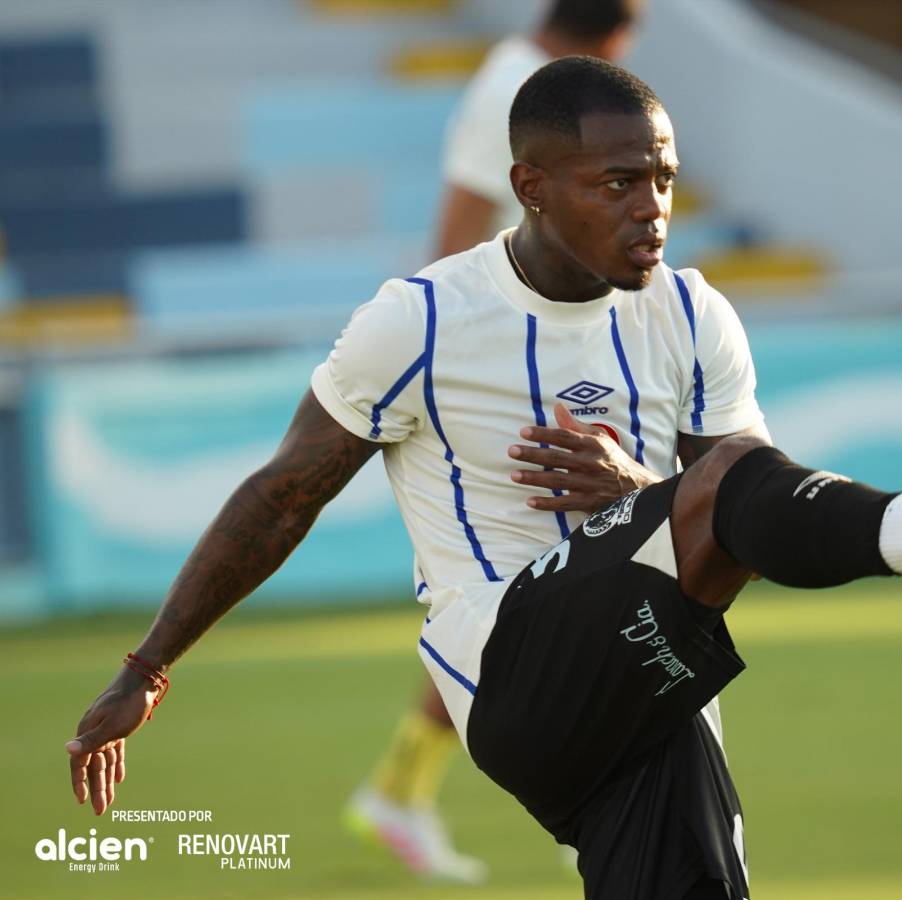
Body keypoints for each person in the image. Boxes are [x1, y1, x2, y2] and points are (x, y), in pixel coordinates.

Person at [65, 58, 902, 900]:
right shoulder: (425, 320)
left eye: (662, 179)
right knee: (723, 482)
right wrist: (148, 667)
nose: (651, 209)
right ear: (530, 186)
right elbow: (284, 495)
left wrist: (635, 490)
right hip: (509, 670)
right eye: (617, 182)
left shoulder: (693, 314)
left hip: (652, 687)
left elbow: (757, 518)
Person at [344, 0, 647, 882]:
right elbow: (458, 237)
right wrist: (458, 375)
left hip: (528, 361)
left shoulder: (524, 75)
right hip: (510, 371)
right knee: (553, 590)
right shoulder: (523, 86)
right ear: (620, 29)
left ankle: (406, 791)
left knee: (525, 596)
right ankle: (588, 799)